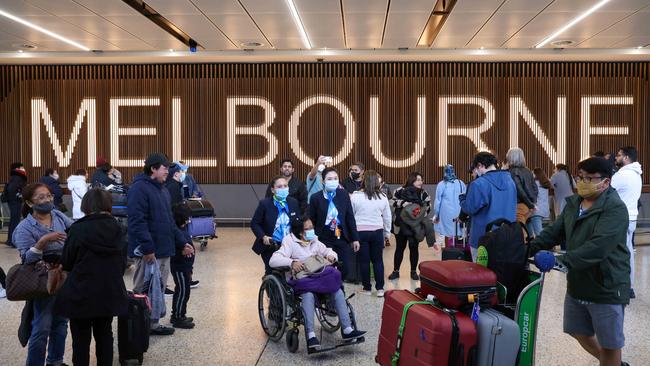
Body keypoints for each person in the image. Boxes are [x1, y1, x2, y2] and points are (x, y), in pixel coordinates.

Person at [529, 157, 630, 366]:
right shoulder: (574, 204)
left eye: (590, 178)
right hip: (578, 283)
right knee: (577, 331)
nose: (583, 182)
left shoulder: (615, 208)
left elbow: (598, 247)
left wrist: (561, 261)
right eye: (581, 177)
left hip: (606, 286)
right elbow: (554, 232)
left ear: (606, 182)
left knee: (610, 344)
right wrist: (528, 248)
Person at [54, 188, 128, 366]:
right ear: (108, 205)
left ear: (86, 205)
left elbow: (67, 261)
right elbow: (123, 263)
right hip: (109, 290)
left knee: (80, 338)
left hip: (81, 291)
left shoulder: (77, 229)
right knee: (105, 335)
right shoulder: (119, 228)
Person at [269, 218, 366, 351]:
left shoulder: (314, 240)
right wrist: (291, 262)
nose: (311, 230)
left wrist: (332, 256)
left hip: (318, 276)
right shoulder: (289, 241)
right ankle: (311, 335)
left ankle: (347, 329)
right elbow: (273, 260)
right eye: (308, 228)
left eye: (311, 227)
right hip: (302, 280)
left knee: (336, 290)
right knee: (308, 294)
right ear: (301, 233)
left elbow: (328, 251)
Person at [127, 152, 194, 336]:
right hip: (148, 252)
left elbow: (169, 222)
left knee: (159, 289)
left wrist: (182, 243)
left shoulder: (162, 190)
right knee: (143, 289)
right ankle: (139, 326)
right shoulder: (139, 189)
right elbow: (137, 221)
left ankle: (153, 324)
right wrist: (147, 248)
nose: (168, 171)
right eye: (165, 168)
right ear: (153, 168)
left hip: (164, 250)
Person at [12, 183, 73, 366]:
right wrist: (43, 241)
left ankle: (55, 361)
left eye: (48, 196)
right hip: (41, 282)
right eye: (41, 197)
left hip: (62, 277)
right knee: (41, 327)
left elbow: (73, 228)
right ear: (30, 203)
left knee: (61, 324)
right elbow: (26, 258)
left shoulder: (57, 215)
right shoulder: (24, 227)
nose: (47, 200)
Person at [460, 152, 517, 261]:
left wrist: (462, 199)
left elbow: (469, 209)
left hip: (483, 239)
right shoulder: (510, 181)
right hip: (507, 237)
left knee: (481, 275)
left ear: (480, 165)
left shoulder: (478, 184)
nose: (475, 171)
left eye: (476, 168)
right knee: (502, 273)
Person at [309, 167, 360, 281]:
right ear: (323, 181)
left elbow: (349, 217)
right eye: (329, 179)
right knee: (327, 267)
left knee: (345, 267)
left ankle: (339, 287)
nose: (333, 181)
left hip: (341, 235)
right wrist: (311, 237)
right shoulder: (316, 198)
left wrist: (355, 238)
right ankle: (329, 293)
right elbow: (311, 220)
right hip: (324, 236)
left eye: (335, 178)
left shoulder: (343, 194)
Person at [350, 170, 391, 297]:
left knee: (364, 261)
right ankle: (380, 289)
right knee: (378, 261)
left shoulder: (355, 196)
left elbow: (351, 216)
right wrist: (387, 234)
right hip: (377, 232)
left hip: (360, 232)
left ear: (363, 180)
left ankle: (367, 288)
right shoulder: (383, 197)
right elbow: (387, 217)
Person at [251, 176, 301, 275]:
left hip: (289, 245)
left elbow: (297, 223)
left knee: (292, 271)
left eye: (285, 186)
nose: (283, 188)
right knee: (272, 271)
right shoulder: (264, 204)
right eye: (279, 187)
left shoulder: (293, 203)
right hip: (271, 245)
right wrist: (263, 237)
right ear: (273, 190)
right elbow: (254, 223)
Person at [388, 172, 431, 281]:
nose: (420, 182)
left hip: (415, 226)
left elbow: (428, 207)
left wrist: (419, 211)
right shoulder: (399, 190)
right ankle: (396, 271)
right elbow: (391, 201)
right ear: (411, 180)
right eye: (418, 180)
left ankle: (413, 272)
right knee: (399, 248)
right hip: (401, 224)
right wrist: (403, 203)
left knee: (414, 247)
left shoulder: (423, 193)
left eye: (421, 180)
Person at [612, 146, 642, 299]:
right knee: (628, 252)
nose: (616, 158)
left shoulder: (622, 175)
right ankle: (629, 286)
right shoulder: (637, 174)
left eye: (618, 155)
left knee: (617, 253)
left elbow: (606, 191)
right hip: (631, 218)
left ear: (626, 157)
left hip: (619, 218)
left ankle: (621, 286)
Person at [170, 203, 196, 329]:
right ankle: (178, 317)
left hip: (185, 267)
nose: (189, 220)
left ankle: (179, 313)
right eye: (187, 217)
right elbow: (175, 249)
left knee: (183, 291)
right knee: (182, 291)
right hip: (179, 267)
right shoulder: (176, 231)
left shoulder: (183, 229)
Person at [433, 165, 466, 246]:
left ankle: (448, 253)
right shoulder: (461, 183)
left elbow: (438, 201)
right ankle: (458, 255)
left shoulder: (442, 184)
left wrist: (436, 214)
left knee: (447, 233)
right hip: (460, 212)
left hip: (446, 213)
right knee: (459, 233)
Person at [504, 148, 538, 225]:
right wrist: (532, 204)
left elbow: (520, 191)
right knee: (525, 230)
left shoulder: (512, 172)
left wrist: (531, 205)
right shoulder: (528, 170)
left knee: (519, 232)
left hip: (518, 206)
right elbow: (535, 188)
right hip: (527, 206)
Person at [4, 162, 28, 247]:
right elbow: (12, 189)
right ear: (18, 168)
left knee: (14, 220)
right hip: (15, 201)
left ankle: (10, 240)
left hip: (13, 201)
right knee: (15, 220)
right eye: (22, 167)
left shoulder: (14, 177)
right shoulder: (18, 177)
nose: (23, 168)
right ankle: (13, 241)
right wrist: (19, 195)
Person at [527, 168, 552, 237]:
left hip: (536, 211)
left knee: (539, 235)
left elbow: (531, 196)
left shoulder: (535, 184)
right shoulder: (545, 184)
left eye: (532, 173)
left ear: (535, 174)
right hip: (545, 211)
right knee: (542, 233)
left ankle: (543, 247)